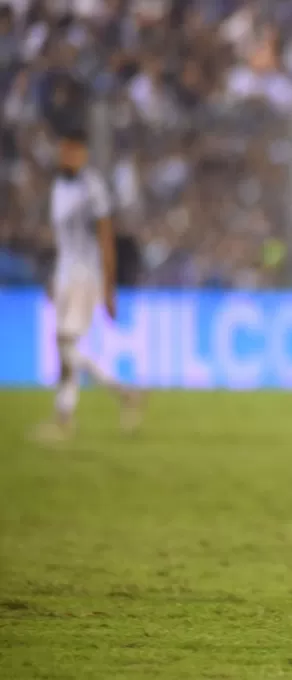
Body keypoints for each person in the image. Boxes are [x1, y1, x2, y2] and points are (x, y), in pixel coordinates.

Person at [35, 79, 141, 443]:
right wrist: (53, 277)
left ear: (83, 154)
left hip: (85, 276)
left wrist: (109, 287)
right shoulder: (57, 189)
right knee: (65, 349)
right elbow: (60, 241)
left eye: (75, 151)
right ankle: (78, 412)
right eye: (66, 150)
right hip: (66, 274)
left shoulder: (91, 188)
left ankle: (106, 399)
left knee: (64, 342)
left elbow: (106, 239)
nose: (69, 156)